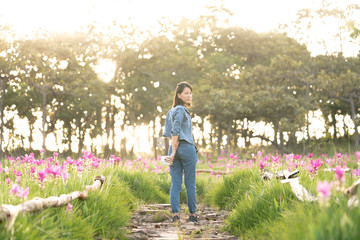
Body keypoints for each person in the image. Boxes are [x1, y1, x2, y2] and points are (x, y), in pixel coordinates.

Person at [163, 82, 198, 223]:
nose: (189, 96)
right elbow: (175, 129)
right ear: (179, 95)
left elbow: (170, 133)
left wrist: (172, 151)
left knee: (175, 184)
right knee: (190, 184)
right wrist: (173, 152)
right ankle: (192, 215)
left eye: (190, 93)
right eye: (186, 93)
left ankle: (176, 214)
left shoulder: (170, 111)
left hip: (174, 147)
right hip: (185, 148)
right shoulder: (181, 110)